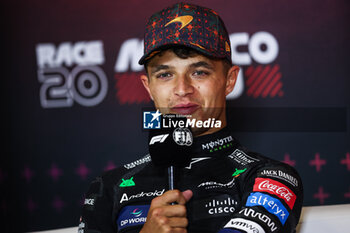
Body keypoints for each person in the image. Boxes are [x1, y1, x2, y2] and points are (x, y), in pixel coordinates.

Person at [79, 2, 303, 233]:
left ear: (229, 80)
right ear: (149, 87)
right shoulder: (108, 187)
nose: (183, 89)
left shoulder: (272, 178)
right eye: (165, 74)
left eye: (199, 72)